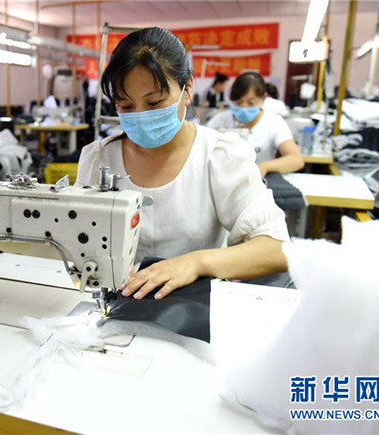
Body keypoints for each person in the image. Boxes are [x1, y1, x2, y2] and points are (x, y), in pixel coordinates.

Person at [76, 27, 289, 300]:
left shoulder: (219, 155)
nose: (140, 115)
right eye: (126, 106)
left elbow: (276, 247)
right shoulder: (98, 158)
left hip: (191, 307)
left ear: (187, 89)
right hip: (119, 300)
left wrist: (195, 263)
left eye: (154, 103)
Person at [207, 72, 304, 177]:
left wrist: (264, 167)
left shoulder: (274, 122)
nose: (244, 107)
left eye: (251, 103)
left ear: (263, 99)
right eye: (239, 103)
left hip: (258, 180)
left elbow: (296, 159)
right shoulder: (220, 120)